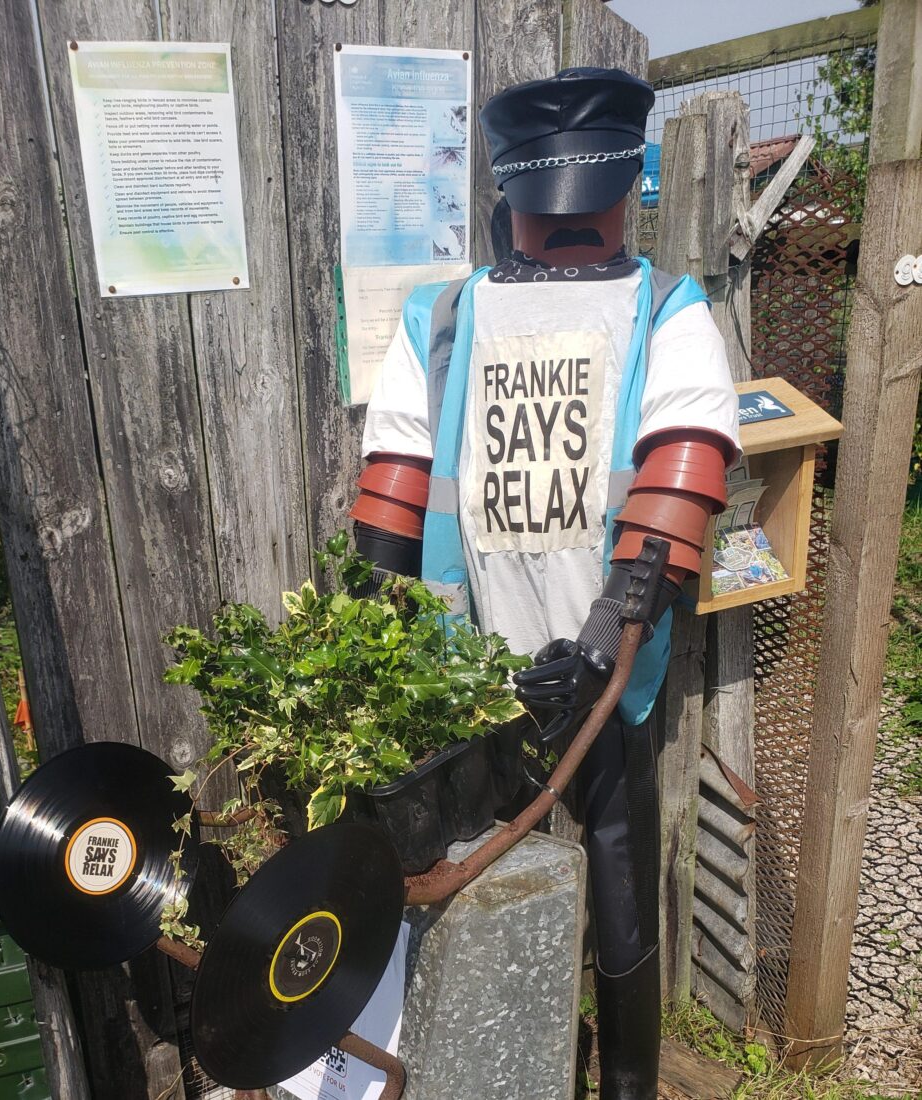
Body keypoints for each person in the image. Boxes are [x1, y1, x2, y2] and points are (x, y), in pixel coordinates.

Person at [352, 68, 741, 1100]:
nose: (569, 231)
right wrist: (381, 645)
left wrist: (612, 623)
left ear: (623, 194)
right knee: (446, 866)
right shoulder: (441, 318)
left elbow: (681, 467)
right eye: (547, 212)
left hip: (601, 666)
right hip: (460, 666)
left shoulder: (665, 310)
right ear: (511, 203)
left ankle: (623, 1081)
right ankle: (460, 1064)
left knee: (615, 867)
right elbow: (393, 494)